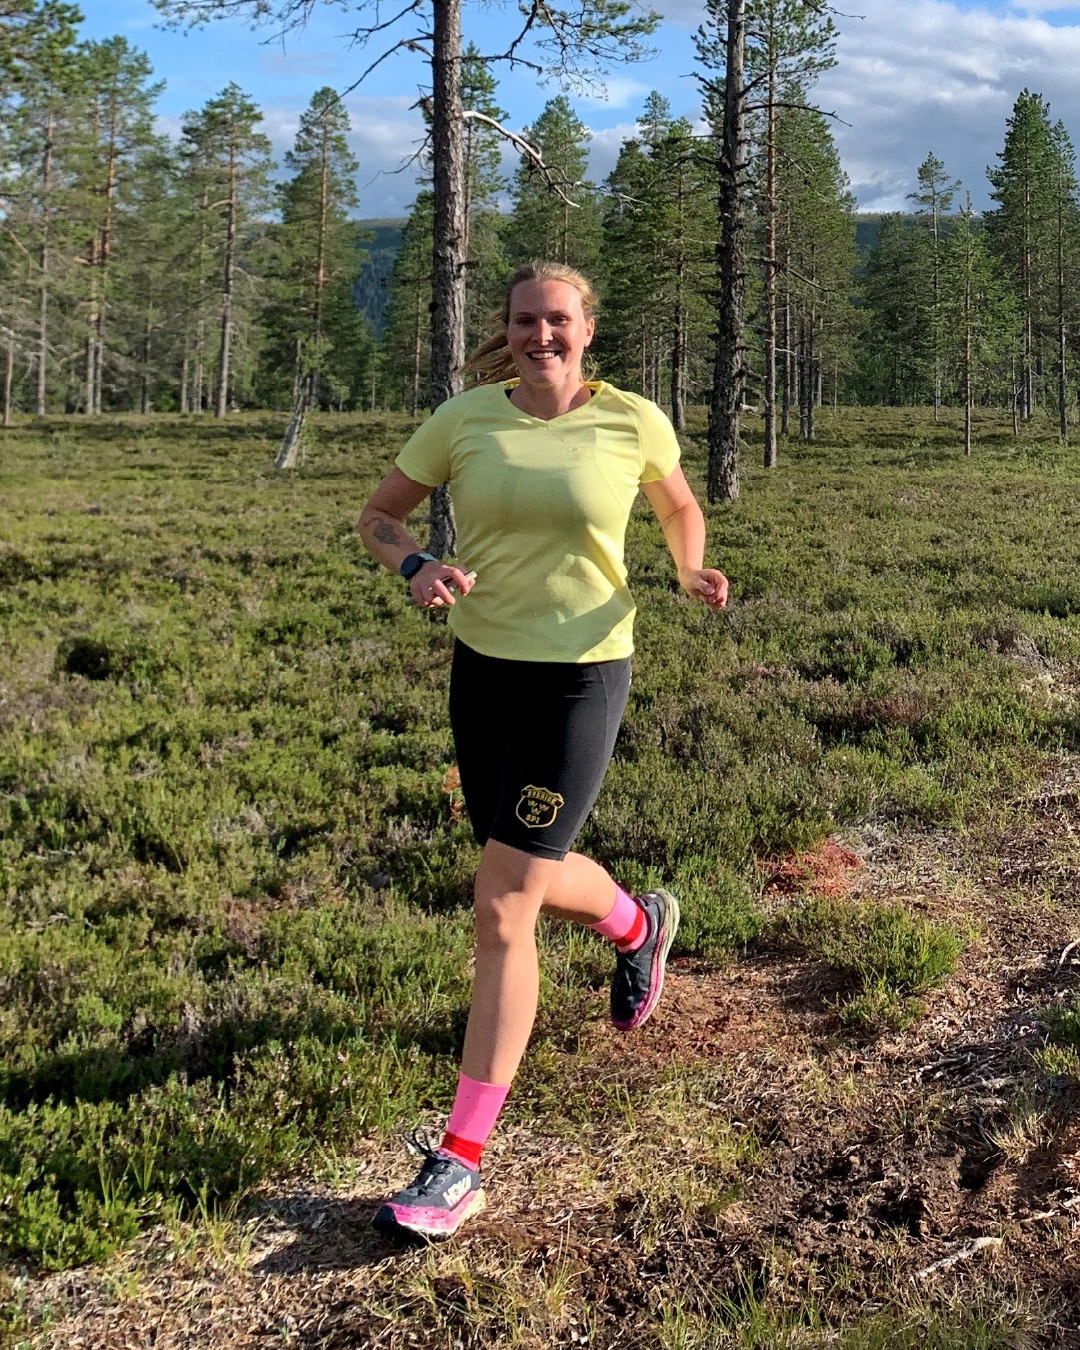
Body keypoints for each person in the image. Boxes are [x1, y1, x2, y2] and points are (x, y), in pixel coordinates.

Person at [359, 260, 729, 1240]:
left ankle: (460, 1161)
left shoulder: (632, 421)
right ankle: (639, 926)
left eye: (557, 319)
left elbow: (679, 505)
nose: (540, 335)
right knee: (520, 868)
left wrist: (690, 568)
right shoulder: (465, 420)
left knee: (502, 905)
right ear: (509, 328)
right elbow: (378, 516)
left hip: (582, 677)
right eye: (525, 321)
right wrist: (416, 564)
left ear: (586, 329)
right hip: (484, 673)